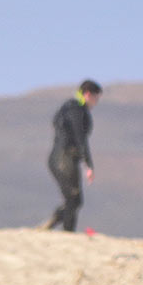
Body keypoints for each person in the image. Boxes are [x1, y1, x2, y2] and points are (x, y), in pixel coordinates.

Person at [42, 79, 101, 232]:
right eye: (96, 98)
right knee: (73, 199)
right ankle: (67, 234)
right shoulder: (76, 110)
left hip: (59, 158)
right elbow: (80, 137)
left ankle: (55, 220)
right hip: (64, 159)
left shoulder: (69, 108)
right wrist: (88, 164)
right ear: (88, 94)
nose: (96, 102)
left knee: (74, 200)